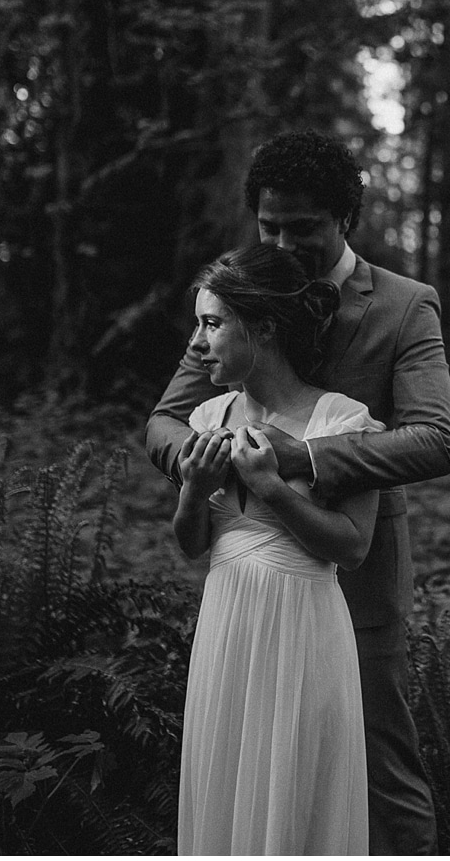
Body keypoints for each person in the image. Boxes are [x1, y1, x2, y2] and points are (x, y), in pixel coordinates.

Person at [148, 131, 450, 855]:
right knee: (253, 755)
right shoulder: (241, 294)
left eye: (303, 228)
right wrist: (200, 463)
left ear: (346, 219)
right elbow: (166, 418)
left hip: (357, 571)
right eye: (269, 227)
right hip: (246, 575)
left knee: (378, 763)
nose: (283, 244)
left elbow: (435, 439)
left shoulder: (403, 307)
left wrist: (307, 456)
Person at [173, 242, 376, 854]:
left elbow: (353, 547)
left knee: (296, 799)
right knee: (226, 790)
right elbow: (191, 545)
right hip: (226, 626)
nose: (197, 342)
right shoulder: (207, 416)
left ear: (262, 326)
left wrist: (270, 488)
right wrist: (193, 491)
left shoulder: (342, 421)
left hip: (303, 631)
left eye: (212, 324)